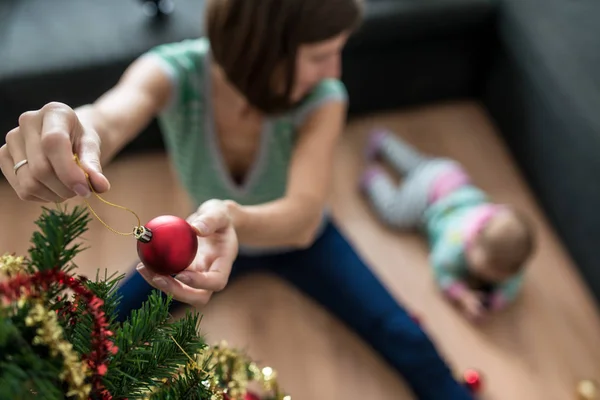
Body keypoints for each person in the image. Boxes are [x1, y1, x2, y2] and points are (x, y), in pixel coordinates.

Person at [0, 0, 474, 398]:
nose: (335, 69)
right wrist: (70, 127)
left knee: (401, 334)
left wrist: (233, 217)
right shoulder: (173, 72)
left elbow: (304, 218)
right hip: (202, 241)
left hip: (296, 240)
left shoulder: (324, 98)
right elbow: (108, 117)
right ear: (262, 48)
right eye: (320, 55)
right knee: (97, 327)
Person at [361, 128, 536, 322]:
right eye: (485, 269)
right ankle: (374, 179)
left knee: (417, 165)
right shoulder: (455, 245)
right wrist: (462, 296)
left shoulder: (508, 260)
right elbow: (440, 269)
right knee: (395, 215)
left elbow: (511, 284)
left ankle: (384, 141)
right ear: (475, 241)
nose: (491, 278)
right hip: (430, 196)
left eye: (498, 276)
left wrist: (495, 301)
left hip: (449, 173)